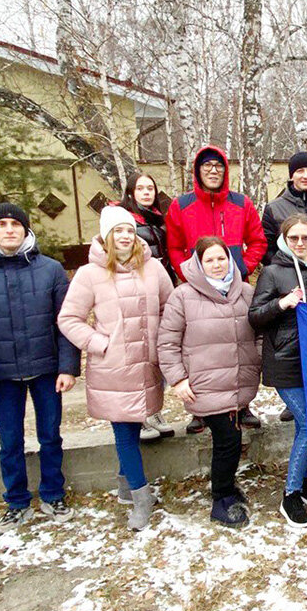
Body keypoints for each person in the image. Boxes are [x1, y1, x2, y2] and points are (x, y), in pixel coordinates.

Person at [0, 203, 81, 533]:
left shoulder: (51, 270)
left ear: (26, 231)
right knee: (10, 441)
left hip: (46, 369)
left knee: (50, 435)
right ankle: (16, 501)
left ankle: (53, 494)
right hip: (0, 375)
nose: (10, 229)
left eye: (16, 224)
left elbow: (65, 323)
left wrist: (67, 367)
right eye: (2, 224)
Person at [58, 206, 174, 530]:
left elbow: (170, 307)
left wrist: (163, 343)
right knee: (124, 432)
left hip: (147, 365)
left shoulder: (153, 269)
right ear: (107, 236)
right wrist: (101, 343)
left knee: (135, 427)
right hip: (114, 368)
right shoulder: (90, 274)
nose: (124, 236)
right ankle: (141, 498)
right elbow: (68, 319)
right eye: (117, 231)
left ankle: (125, 486)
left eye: (129, 230)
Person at [158, 236, 262, 528]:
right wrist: (177, 379)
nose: (217, 265)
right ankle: (221, 498)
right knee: (228, 440)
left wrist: (262, 361)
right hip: (205, 384)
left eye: (222, 258)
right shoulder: (183, 296)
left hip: (240, 380)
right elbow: (167, 343)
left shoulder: (245, 292)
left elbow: (259, 332)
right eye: (209, 260)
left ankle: (227, 486)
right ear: (198, 264)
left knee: (231, 439)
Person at [165, 145, 264, 433]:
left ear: (225, 171)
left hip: (234, 288)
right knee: (199, 348)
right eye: (207, 166)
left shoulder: (241, 203)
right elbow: (173, 245)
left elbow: (257, 241)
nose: (213, 171)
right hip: (197, 290)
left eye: (218, 166)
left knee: (239, 344)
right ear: (198, 171)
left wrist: (242, 269)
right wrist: (189, 274)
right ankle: (200, 410)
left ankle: (242, 406)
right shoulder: (181, 206)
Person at [249, 215, 307, 528]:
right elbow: (254, 316)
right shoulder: (272, 272)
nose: (300, 243)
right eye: (293, 238)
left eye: (305, 238)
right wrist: (282, 304)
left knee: (305, 426)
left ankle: (303, 480)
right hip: (284, 361)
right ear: (284, 239)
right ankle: (290, 493)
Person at [118, 172, 177, 441]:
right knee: (139, 356)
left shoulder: (157, 218)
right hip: (135, 292)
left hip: (161, 288)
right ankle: (139, 416)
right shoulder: (124, 219)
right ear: (130, 192)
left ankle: (154, 410)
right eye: (140, 188)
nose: (146, 192)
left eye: (150, 188)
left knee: (159, 353)